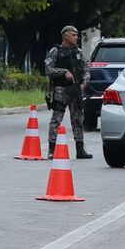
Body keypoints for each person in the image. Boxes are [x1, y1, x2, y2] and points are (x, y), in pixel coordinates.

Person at [44, 25, 92, 159]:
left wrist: (84, 83)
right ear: (65, 36)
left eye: (77, 35)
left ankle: (80, 149)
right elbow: (48, 69)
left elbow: (87, 69)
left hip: (76, 89)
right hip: (61, 90)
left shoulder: (79, 52)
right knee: (56, 119)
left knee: (78, 119)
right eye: (73, 35)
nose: (76, 37)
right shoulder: (55, 51)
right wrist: (64, 72)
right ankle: (51, 150)